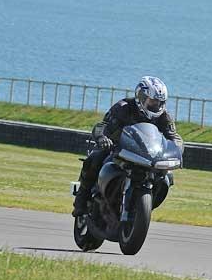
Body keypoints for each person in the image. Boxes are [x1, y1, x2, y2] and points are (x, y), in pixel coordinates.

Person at [72, 76, 183, 217]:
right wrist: (102, 138)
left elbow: (174, 137)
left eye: (159, 103)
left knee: (168, 176)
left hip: (146, 155)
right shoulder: (123, 107)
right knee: (95, 157)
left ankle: (142, 208)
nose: (156, 106)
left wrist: (177, 149)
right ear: (140, 97)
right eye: (152, 102)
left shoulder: (164, 116)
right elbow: (102, 126)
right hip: (118, 148)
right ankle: (81, 199)